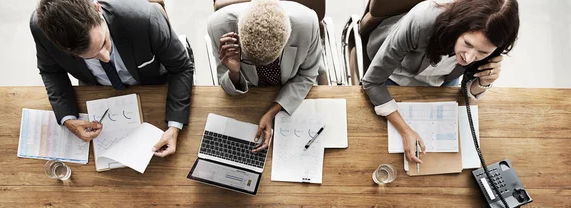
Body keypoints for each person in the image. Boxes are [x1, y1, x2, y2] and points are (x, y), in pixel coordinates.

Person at [361, 0, 519, 164]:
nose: (469, 58)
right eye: (467, 44)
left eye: (482, 52)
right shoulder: (422, 21)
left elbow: (466, 89)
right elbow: (372, 82)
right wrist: (405, 130)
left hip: (441, 80)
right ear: (459, 25)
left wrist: (484, 82)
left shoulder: (491, 45)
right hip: (395, 73)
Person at [30, 0, 193, 157]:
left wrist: (174, 126)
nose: (106, 58)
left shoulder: (144, 18)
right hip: (98, 92)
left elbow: (182, 68)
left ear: (97, 8)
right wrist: (68, 118)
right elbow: (51, 71)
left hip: (155, 88)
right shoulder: (41, 29)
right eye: (90, 57)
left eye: (103, 44)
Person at [207, 0, 323, 152]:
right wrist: (234, 72)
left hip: (291, 90)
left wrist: (272, 112)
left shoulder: (308, 24)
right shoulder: (218, 27)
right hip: (247, 98)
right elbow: (224, 81)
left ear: (288, 38)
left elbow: (307, 75)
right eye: (249, 60)